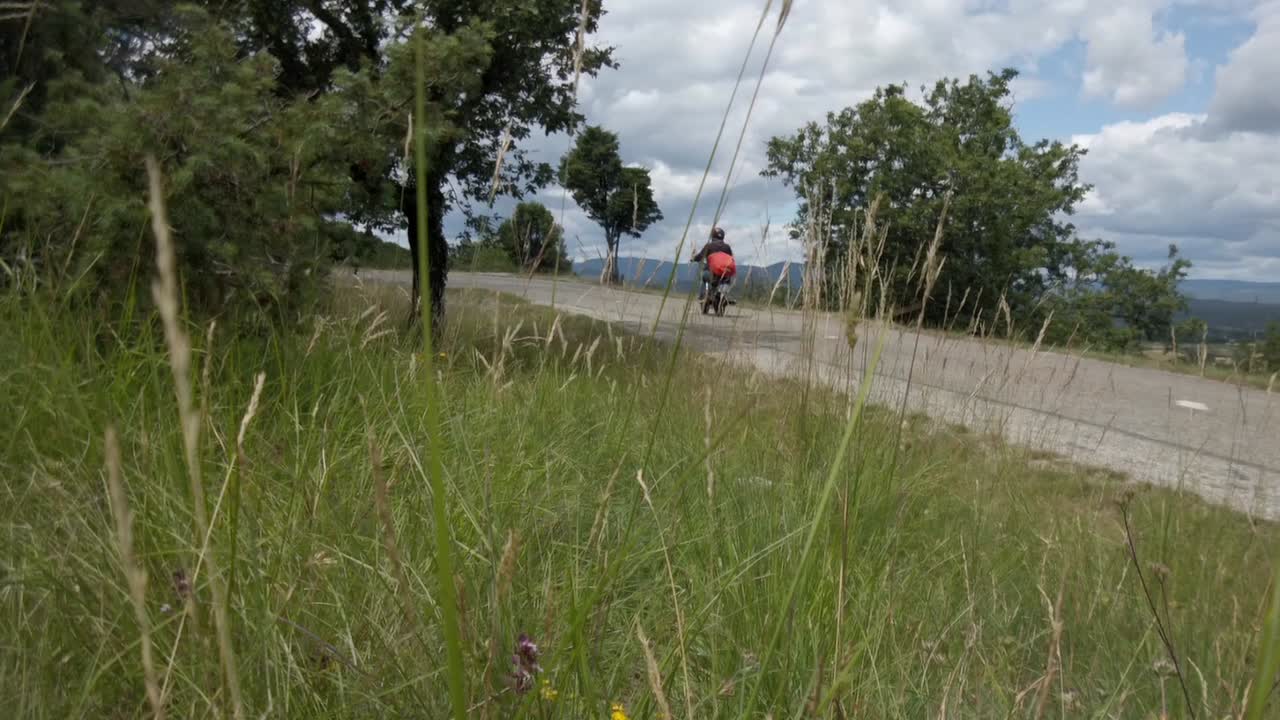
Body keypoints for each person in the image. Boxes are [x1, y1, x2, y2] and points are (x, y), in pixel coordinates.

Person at [692, 226, 735, 299]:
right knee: (727, 281)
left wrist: (693, 258)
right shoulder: (727, 247)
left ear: (712, 235)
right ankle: (725, 295)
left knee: (705, 277)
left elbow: (700, 256)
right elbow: (731, 259)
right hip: (724, 274)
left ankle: (703, 295)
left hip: (711, 273)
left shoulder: (709, 246)